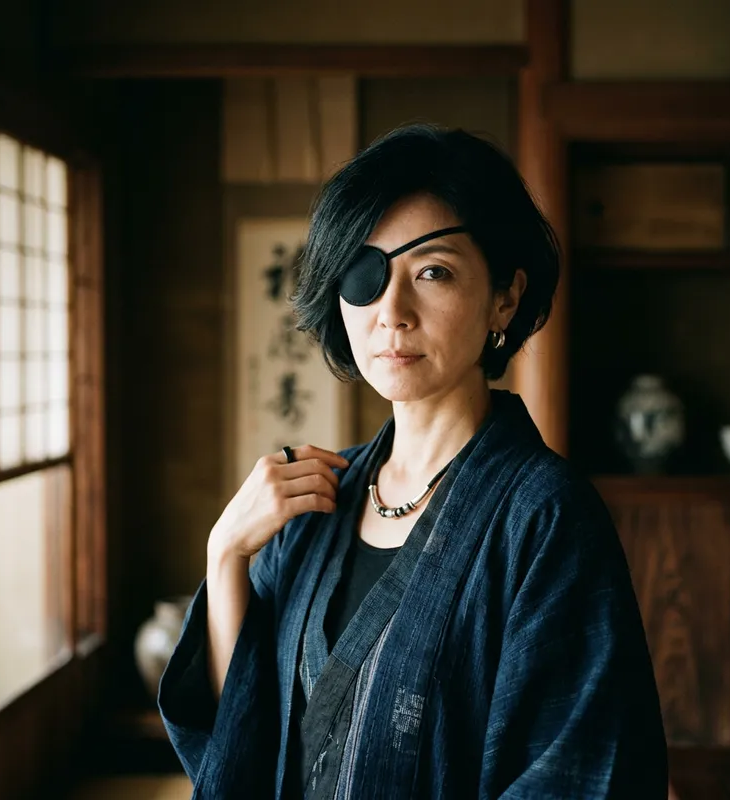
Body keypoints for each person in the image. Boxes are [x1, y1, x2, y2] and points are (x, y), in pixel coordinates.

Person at [159, 123, 668, 799]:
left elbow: (579, 770)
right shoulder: (311, 502)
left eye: (433, 272)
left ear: (505, 298)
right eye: (367, 275)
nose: (391, 312)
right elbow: (239, 747)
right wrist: (225, 556)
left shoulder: (546, 516)